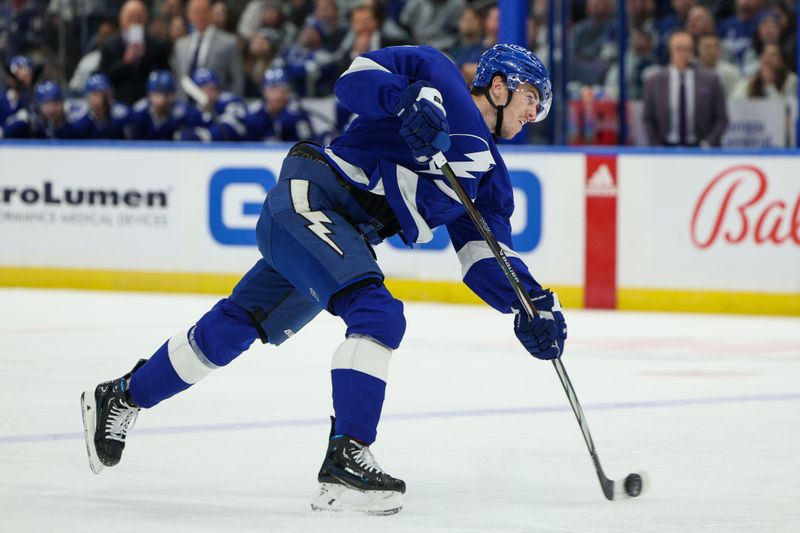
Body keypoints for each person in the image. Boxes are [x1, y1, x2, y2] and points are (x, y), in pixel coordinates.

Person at [80, 43, 566, 516]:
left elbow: (485, 256)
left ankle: (121, 395)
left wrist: (530, 304)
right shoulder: (435, 74)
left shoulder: (490, 180)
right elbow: (353, 80)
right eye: (530, 100)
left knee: (232, 327)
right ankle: (345, 458)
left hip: (343, 234)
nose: (533, 115)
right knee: (377, 313)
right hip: (313, 196)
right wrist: (402, 97)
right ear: (499, 86)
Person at [643, 30, 728, 146]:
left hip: (700, 148)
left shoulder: (711, 80)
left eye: (688, 49)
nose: (684, 53)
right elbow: (647, 118)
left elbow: (721, 117)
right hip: (665, 148)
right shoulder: (654, 82)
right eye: (679, 49)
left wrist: (708, 143)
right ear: (670, 50)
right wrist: (657, 146)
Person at [98, 0, 171, 106]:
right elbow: (103, 78)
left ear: (145, 19)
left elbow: (165, 78)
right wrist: (126, 61)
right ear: (121, 19)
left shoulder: (157, 45)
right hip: (118, 106)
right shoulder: (109, 45)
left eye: (139, 18)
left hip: (150, 108)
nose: (135, 22)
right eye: (131, 17)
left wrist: (145, 57)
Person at [172, 0, 245, 98]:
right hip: (186, 107)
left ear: (211, 13)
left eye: (204, 11)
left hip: (217, 106)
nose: (200, 16)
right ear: (189, 15)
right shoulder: (180, 45)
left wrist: (229, 105)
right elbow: (178, 80)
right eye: (196, 12)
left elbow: (237, 81)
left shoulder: (229, 43)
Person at [245, 67, 314, 142]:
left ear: (289, 92)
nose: (278, 95)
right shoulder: (253, 115)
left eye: (283, 90)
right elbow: (245, 146)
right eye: (273, 89)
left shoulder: (297, 115)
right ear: (264, 91)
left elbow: (307, 145)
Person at [178, 67, 247, 141]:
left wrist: (205, 135)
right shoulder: (193, 110)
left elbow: (233, 129)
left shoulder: (230, 101)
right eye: (204, 89)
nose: (210, 93)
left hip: (236, 150)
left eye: (212, 88)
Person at [130, 70, 190, 140]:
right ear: (149, 94)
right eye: (157, 94)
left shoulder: (182, 111)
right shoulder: (139, 112)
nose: (162, 99)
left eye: (166, 94)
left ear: (172, 95)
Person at [74, 73, 132, 140]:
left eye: (104, 94)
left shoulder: (124, 114)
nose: (101, 99)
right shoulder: (80, 120)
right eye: (96, 94)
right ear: (88, 97)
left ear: (111, 94)